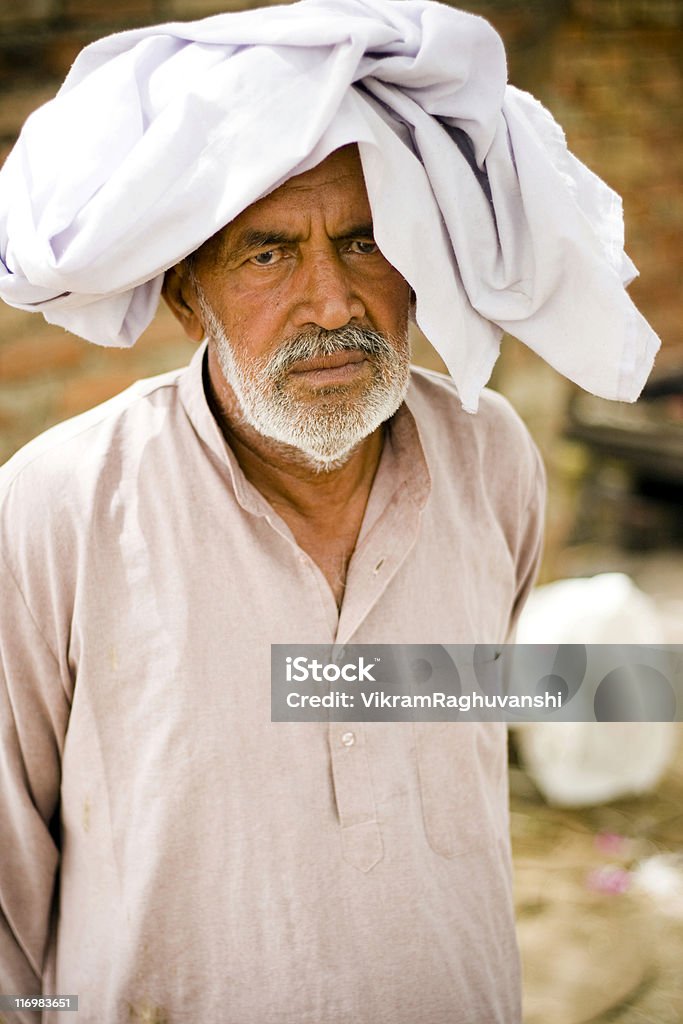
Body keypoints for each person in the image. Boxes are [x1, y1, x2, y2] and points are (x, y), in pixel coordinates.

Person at [0, 2, 659, 1022]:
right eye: (267, 254)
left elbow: (439, 738)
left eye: (363, 243)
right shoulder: (56, 509)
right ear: (189, 294)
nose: (333, 304)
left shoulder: (492, 461)